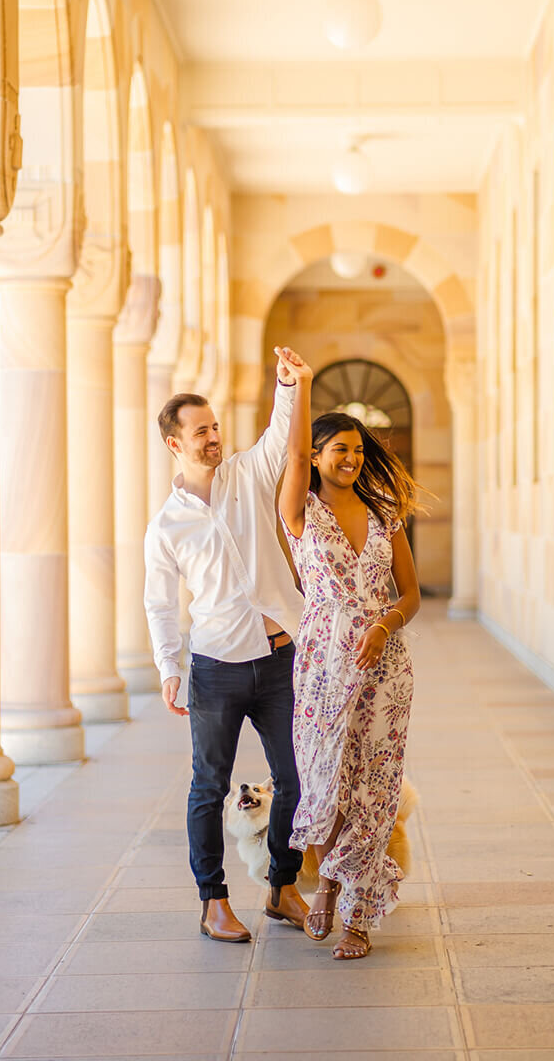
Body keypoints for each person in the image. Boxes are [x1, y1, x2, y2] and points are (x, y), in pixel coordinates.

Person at [143, 347, 312, 943]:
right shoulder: (167, 526)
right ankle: (213, 901)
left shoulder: (248, 473)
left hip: (279, 655)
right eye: (201, 431)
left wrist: (288, 386)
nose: (213, 437)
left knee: (296, 777)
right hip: (215, 666)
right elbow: (160, 603)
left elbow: (278, 437)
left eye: (215, 427)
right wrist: (170, 666)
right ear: (174, 444)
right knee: (209, 785)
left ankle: (283, 887)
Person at [277, 349, 421, 960]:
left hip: (384, 669)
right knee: (326, 782)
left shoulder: (385, 514)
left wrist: (385, 626)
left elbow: (410, 594)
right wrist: (302, 385)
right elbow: (287, 453)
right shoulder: (301, 512)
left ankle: (358, 914)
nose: (351, 458)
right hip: (321, 666)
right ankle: (327, 882)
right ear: (315, 456)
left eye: (358, 450)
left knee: (374, 788)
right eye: (339, 448)